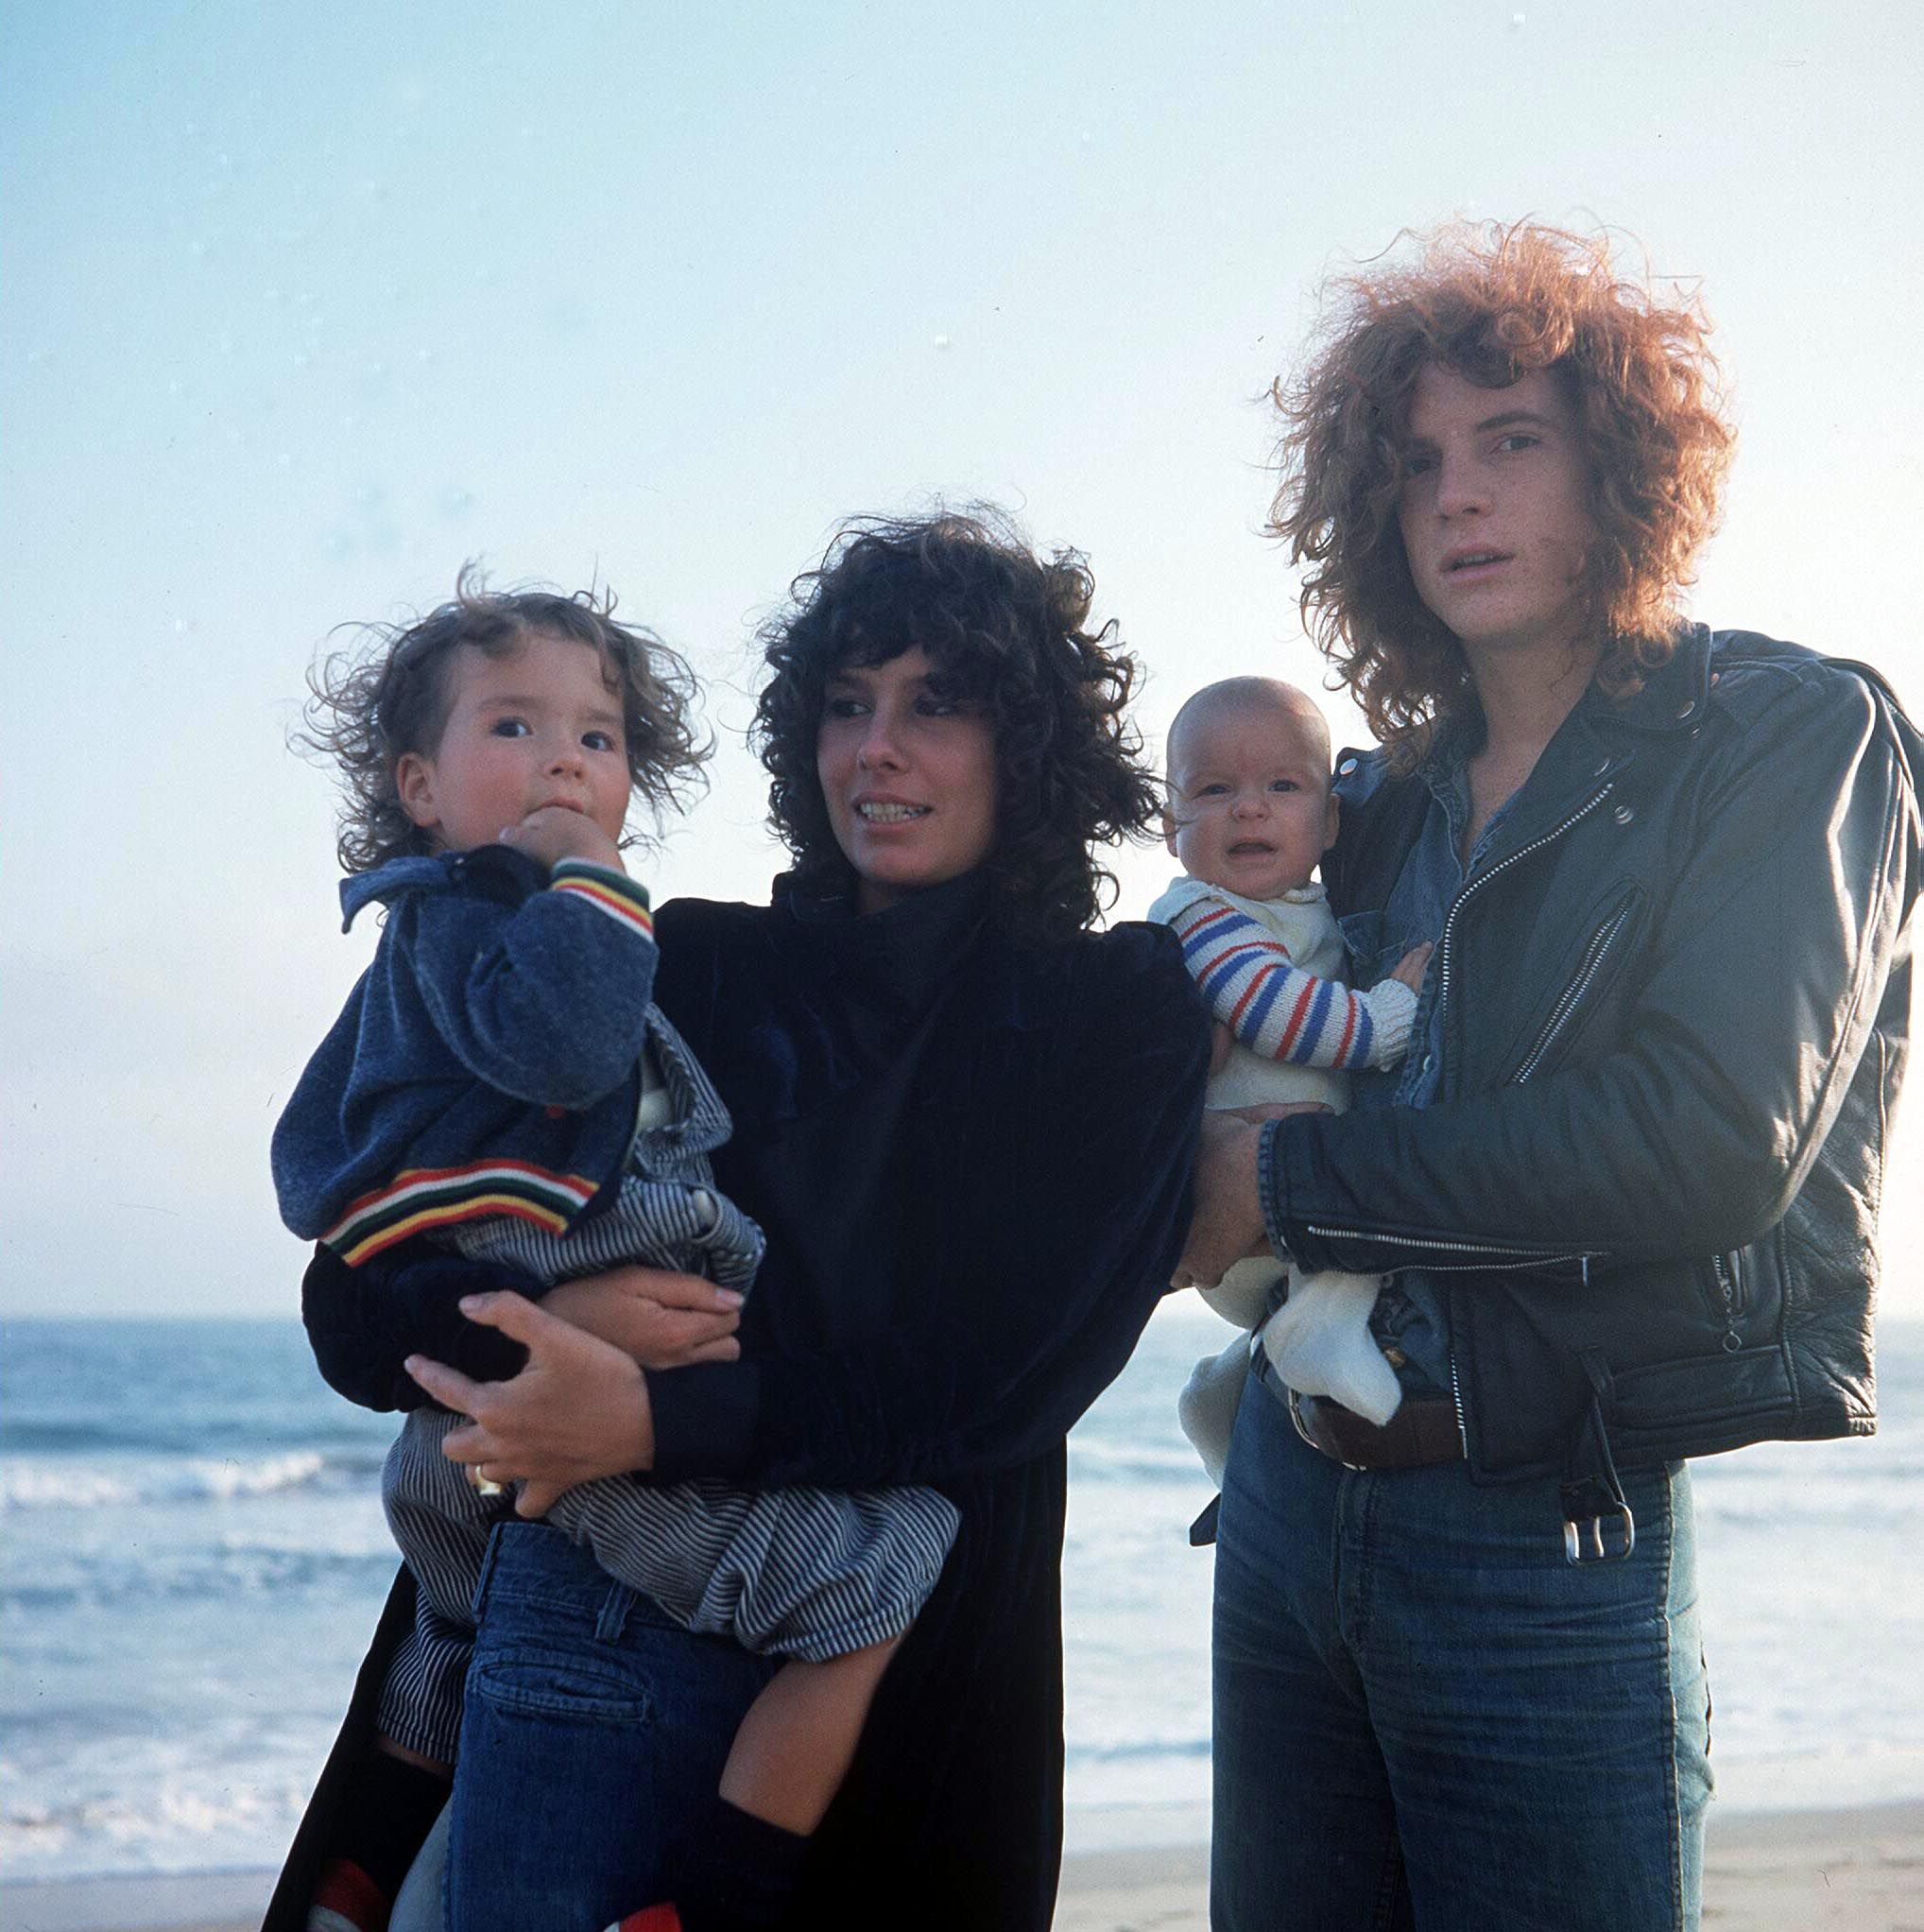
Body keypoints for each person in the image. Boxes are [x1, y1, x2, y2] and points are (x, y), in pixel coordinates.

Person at [266, 512, 1210, 1932]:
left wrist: (647, 1422)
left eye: (934, 706)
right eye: (845, 706)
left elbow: (1011, 1375)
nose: (873, 751)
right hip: (574, 1639)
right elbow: (350, 1292)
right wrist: (538, 1330)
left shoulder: (1117, 1012)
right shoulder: (673, 962)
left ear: (1029, 743)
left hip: (909, 1692)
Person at [1177, 220, 1924, 1931]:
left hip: (1544, 1534)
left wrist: (1267, 1187)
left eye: (1511, 440)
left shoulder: (1790, 733)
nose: (1458, 495)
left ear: (1620, 468)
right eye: (1419, 459)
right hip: (1287, 1505)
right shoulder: (1375, 800)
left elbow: (1706, 1138)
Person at [270, 576, 960, 1932]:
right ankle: (716, 1900)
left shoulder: (422, 954)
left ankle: (360, 1876)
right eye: (515, 729)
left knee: (447, 1639)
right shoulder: (510, 926)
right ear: (419, 782)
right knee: (892, 1569)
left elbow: (316, 1154)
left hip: (469, 1442)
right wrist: (591, 881)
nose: (567, 764)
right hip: (566, 1429)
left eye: (597, 738)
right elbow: (576, 1047)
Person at [1148, 676, 1429, 1485]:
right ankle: (1309, 1332)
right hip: (1237, 1212)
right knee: (1359, 1241)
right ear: (1173, 827)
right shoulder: (1199, 915)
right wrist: (1390, 1017)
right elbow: (1277, 1015)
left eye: (1282, 785)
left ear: (1330, 819)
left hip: (1273, 1216)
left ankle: (1225, 1389)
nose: (1249, 807)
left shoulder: (1306, 911)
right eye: (1214, 789)